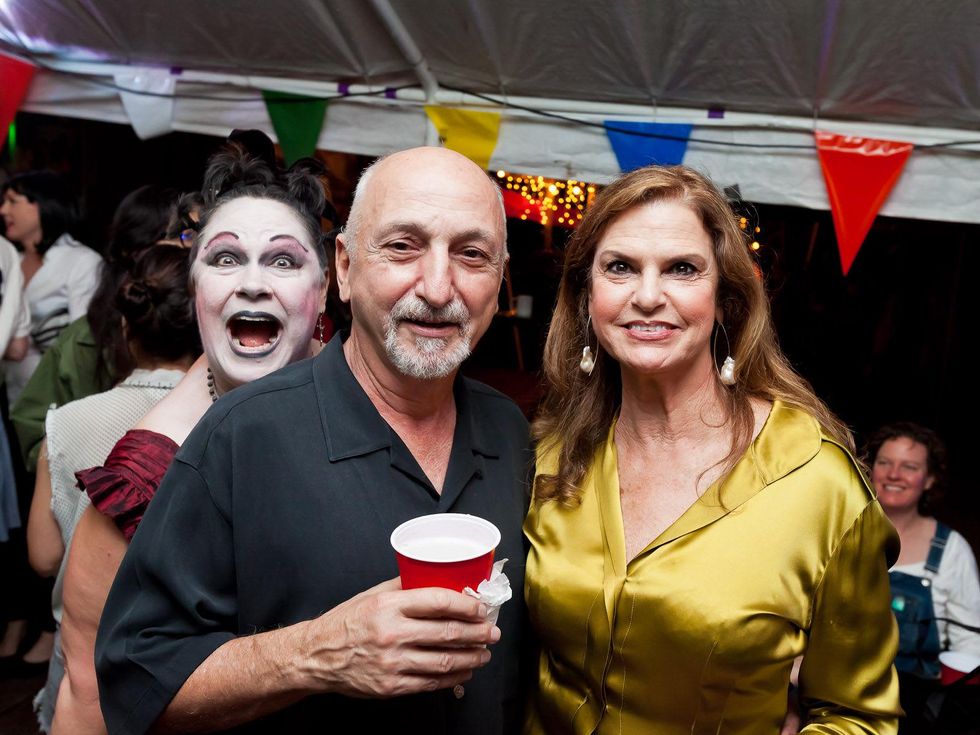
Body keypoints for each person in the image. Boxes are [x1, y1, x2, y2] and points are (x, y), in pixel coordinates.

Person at [96, 146, 530, 734]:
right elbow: (136, 679)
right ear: (345, 269)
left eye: (471, 254)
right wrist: (318, 653)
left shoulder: (511, 433)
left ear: (501, 281)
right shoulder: (243, 435)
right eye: (402, 246)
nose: (436, 286)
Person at [523, 164, 902, 734]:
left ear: (725, 298)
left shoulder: (819, 484)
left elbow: (859, 718)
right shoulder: (550, 453)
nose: (648, 296)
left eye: (682, 269)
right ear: (586, 298)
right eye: (620, 267)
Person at [50, 147, 330, 734]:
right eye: (225, 258)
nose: (252, 283)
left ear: (325, 289)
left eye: (283, 262)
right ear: (195, 286)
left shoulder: (378, 409)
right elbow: (87, 691)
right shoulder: (142, 478)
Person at [23, 245, 199, 730]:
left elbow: (42, 557)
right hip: (182, 667)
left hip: (78, 660)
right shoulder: (225, 423)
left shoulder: (67, 422)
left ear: (126, 328)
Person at [11, 184, 181, 472]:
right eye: (180, 236)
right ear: (136, 249)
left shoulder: (214, 336)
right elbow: (33, 427)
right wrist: (81, 471)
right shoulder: (83, 339)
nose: (190, 250)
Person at [867, 422, 980, 730]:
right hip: (839, 700)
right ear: (871, 469)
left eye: (909, 467)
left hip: (916, 712)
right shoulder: (844, 533)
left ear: (929, 479)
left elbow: (970, 645)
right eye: (885, 463)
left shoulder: (952, 550)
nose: (893, 474)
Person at [0, 171, 102, 402]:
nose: (3, 210)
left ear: (44, 206)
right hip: (11, 393)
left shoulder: (80, 261)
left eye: (13, 201)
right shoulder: (9, 260)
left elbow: (82, 345)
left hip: (58, 396)